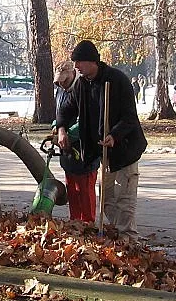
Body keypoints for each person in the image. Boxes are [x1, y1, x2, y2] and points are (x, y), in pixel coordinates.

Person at [56, 40, 147, 237]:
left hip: (125, 150)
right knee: (107, 199)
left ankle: (128, 237)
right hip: (102, 151)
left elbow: (130, 117)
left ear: (92, 61)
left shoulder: (117, 80)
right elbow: (66, 109)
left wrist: (115, 135)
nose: (76, 67)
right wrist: (61, 129)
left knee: (125, 198)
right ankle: (118, 233)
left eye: (79, 62)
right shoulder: (82, 84)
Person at [54, 61, 99, 223]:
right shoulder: (60, 91)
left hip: (85, 149)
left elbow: (88, 120)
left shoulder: (85, 89)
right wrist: (56, 128)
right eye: (59, 82)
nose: (62, 84)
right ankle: (74, 222)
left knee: (85, 191)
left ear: (73, 73)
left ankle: (87, 224)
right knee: (72, 190)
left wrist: (68, 134)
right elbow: (60, 114)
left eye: (64, 80)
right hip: (67, 151)